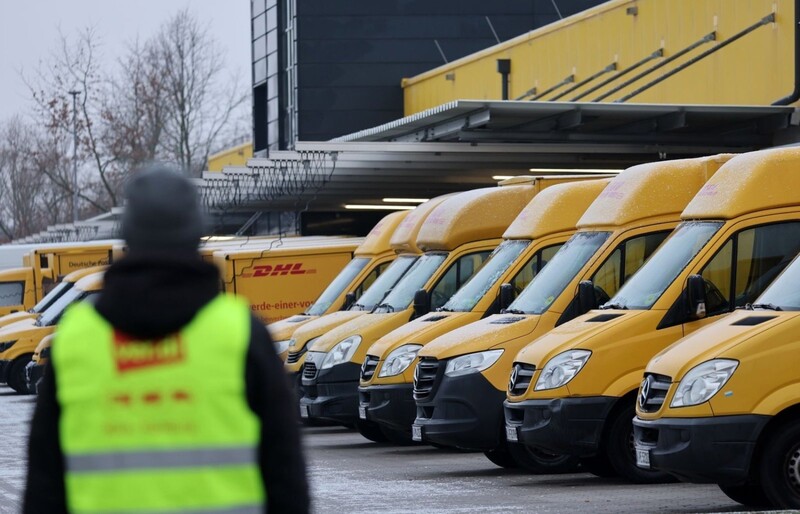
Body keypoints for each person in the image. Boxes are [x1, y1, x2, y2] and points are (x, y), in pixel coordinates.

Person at [24, 165, 310, 514]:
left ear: (127, 236)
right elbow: (286, 479)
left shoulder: (75, 340)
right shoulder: (240, 334)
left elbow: (44, 486)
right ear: (197, 234)